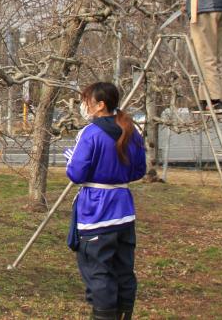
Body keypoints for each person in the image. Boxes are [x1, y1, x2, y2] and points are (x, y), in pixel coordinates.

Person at [64, 82, 146, 320]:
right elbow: (138, 170)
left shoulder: (90, 133)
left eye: (86, 100)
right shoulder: (131, 130)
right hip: (123, 208)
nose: (83, 105)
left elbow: (76, 174)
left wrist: (72, 161)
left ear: (100, 105)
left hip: (96, 211)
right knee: (123, 270)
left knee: (98, 271)